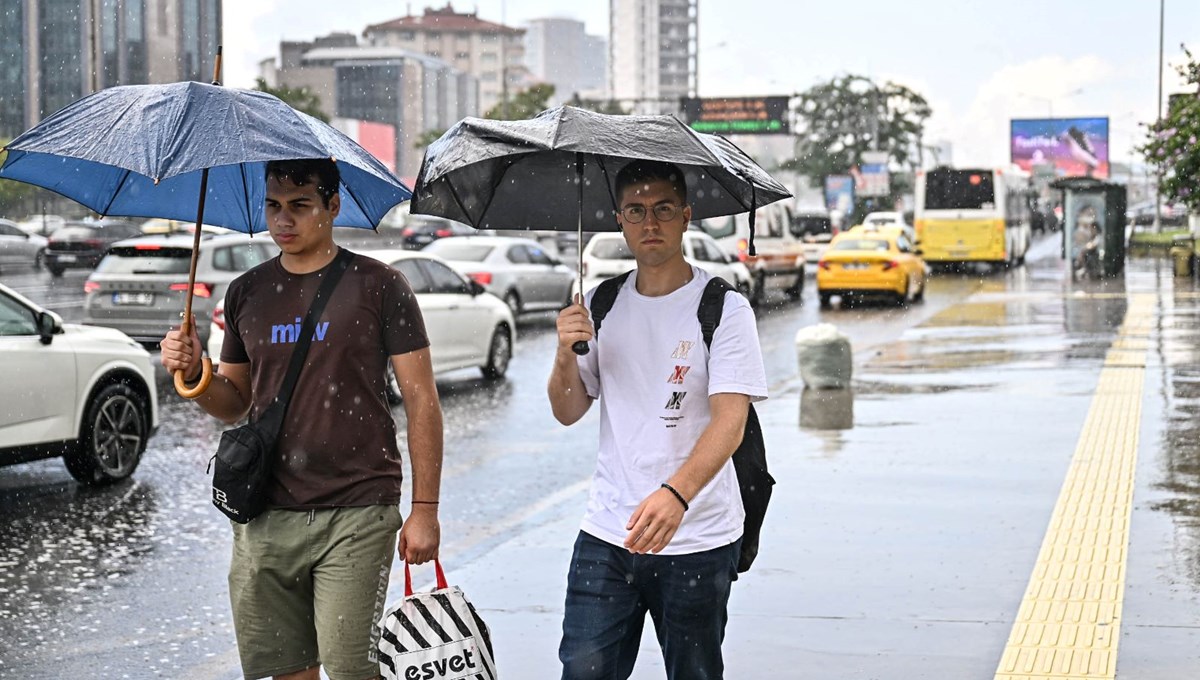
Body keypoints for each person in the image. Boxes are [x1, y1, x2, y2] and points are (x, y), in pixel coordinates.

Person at [160, 158, 443, 680]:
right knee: (289, 670)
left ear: (332, 207)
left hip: (357, 508)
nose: (282, 220)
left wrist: (425, 508)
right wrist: (195, 372)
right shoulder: (246, 292)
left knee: (349, 667)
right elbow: (235, 401)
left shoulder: (380, 285)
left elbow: (422, 399)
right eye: (273, 206)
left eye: (299, 206)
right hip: (265, 513)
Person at [548, 160, 768, 679]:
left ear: (686, 216)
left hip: (697, 536)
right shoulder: (601, 302)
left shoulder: (723, 307)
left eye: (663, 209)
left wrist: (675, 495)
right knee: (583, 671)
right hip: (609, 532)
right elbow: (567, 410)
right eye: (636, 210)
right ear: (619, 220)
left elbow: (729, 423)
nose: (650, 222)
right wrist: (564, 352)